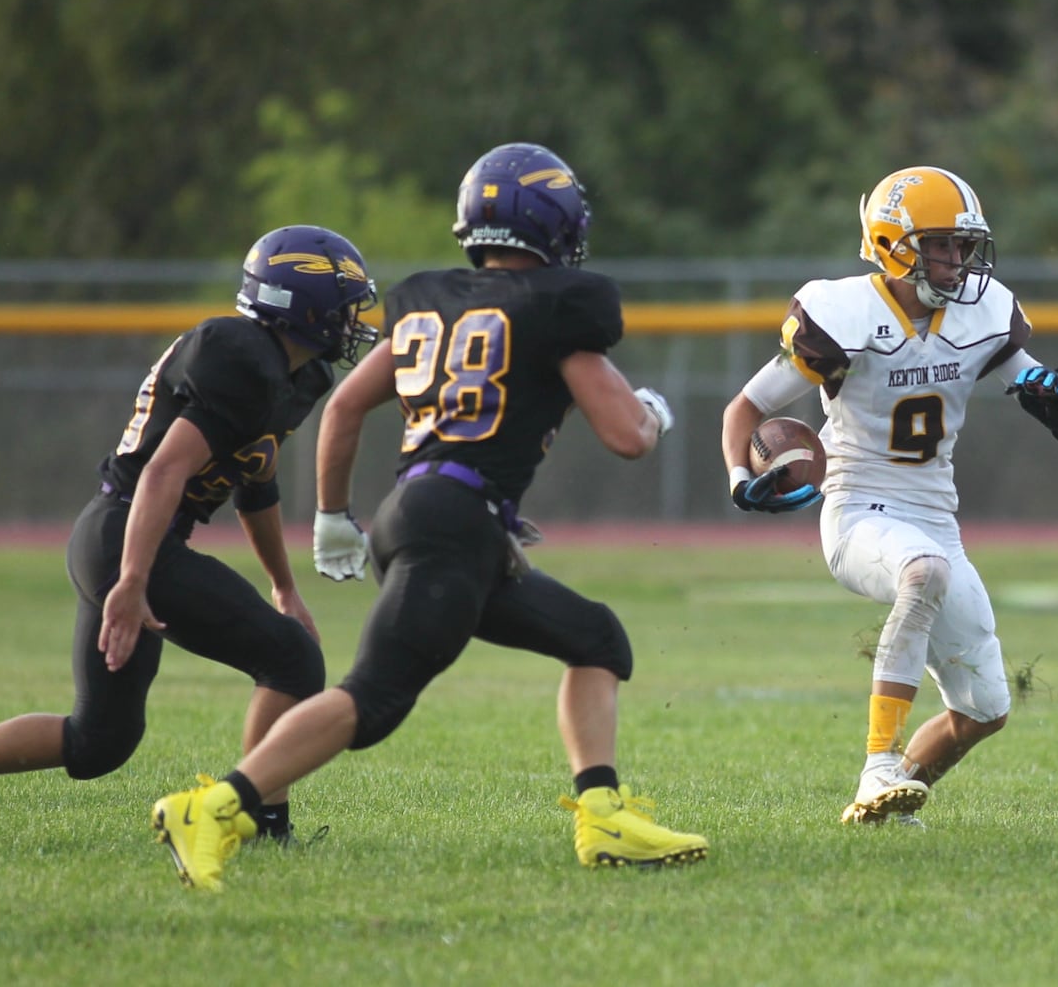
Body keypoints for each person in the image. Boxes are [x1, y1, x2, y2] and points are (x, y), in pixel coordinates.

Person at [146, 143, 703, 893]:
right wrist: (655, 414)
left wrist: (335, 517)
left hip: (425, 514)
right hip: (453, 525)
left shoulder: (427, 299)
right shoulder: (557, 306)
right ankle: (216, 806)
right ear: (555, 223)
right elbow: (628, 437)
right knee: (371, 699)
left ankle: (601, 813)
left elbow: (344, 406)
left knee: (593, 636)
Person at [0, 224, 374, 864]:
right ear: (302, 301)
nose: (353, 319)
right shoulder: (243, 355)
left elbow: (254, 477)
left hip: (119, 536)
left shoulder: (294, 372)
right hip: (131, 534)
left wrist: (284, 585)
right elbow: (163, 472)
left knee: (99, 741)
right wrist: (130, 580)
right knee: (292, 662)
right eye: (344, 304)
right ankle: (258, 826)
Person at [721, 165, 1058, 826]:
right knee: (921, 575)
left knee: (984, 709)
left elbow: (1020, 372)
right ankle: (877, 764)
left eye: (963, 245)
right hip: (857, 507)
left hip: (933, 516)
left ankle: (888, 807)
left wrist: (1050, 391)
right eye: (941, 244)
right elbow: (744, 409)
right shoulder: (845, 314)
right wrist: (737, 477)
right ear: (894, 243)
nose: (957, 260)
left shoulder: (980, 311)